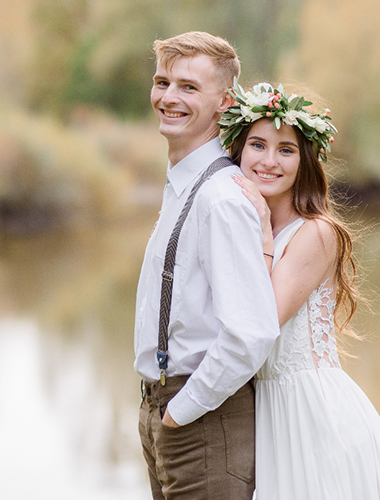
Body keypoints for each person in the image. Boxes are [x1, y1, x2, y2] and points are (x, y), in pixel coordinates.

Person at [134, 33, 280, 500]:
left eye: (188, 87)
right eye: (162, 81)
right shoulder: (184, 184)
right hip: (164, 409)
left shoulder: (220, 198)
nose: (169, 97)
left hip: (201, 419)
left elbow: (251, 333)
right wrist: (159, 415)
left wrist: (181, 411)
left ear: (225, 102)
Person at [218, 79, 380, 499]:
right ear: (237, 150)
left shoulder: (317, 233)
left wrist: (267, 245)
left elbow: (261, 322)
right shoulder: (244, 226)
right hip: (269, 414)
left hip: (312, 412)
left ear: (304, 161)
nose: (269, 161)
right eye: (257, 145)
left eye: (286, 150)